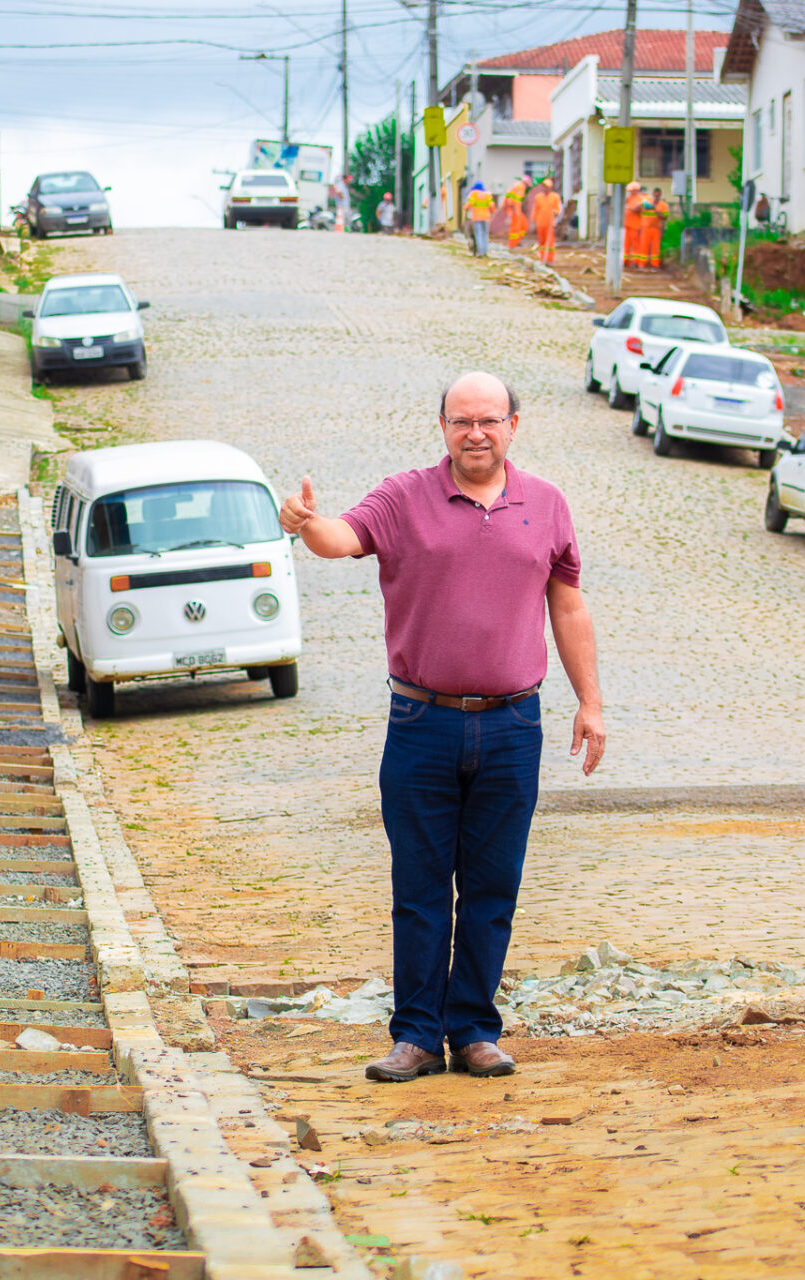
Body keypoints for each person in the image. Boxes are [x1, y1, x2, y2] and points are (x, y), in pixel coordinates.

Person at [277, 372, 607, 1084]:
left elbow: (569, 606)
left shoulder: (546, 505)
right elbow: (342, 539)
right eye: (462, 421)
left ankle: (476, 1030)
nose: (476, 434)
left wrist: (591, 702)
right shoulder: (403, 497)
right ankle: (418, 1036)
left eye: (490, 421)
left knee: (493, 886)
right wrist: (306, 524)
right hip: (421, 721)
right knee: (420, 886)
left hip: (514, 724)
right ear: (442, 426)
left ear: (515, 425)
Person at [529, 179, 561, 265]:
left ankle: (550, 260)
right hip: (540, 222)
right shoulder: (538, 197)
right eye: (544, 187)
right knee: (542, 242)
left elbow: (558, 209)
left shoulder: (555, 197)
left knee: (550, 242)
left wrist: (556, 213)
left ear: (550, 187)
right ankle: (543, 258)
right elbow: (535, 209)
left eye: (547, 187)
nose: (545, 188)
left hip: (550, 223)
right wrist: (533, 221)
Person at [641, 186, 668, 270]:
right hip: (646, 227)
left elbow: (665, 217)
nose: (656, 196)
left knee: (655, 248)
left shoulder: (663, 205)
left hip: (656, 228)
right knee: (644, 246)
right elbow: (640, 210)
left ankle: (655, 264)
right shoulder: (647, 202)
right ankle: (642, 264)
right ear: (653, 194)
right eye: (655, 195)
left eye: (658, 195)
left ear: (660, 195)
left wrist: (658, 212)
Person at [464, 182, 494, 256]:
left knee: (478, 234)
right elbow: (492, 206)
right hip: (486, 217)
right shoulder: (488, 195)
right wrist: (489, 212)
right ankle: (485, 251)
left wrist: (466, 208)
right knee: (485, 235)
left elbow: (468, 205)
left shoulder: (474, 194)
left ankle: (480, 252)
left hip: (476, 217)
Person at [622, 181, 645, 269]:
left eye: (631, 190)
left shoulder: (640, 199)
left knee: (636, 245)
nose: (630, 192)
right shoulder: (629, 199)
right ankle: (625, 261)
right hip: (627, 225)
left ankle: (636, 262)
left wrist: (628, 207)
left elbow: (638, 209)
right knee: (626, 245)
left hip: (635, 226)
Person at [504, 178, 528, 249]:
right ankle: (512, 245)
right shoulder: (520, 186)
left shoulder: (518, 186)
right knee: (515, 229)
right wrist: (514, 210)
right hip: (515, 210)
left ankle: (517, 242)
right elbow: (514, 200)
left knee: (523, 225)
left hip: (516, 210)